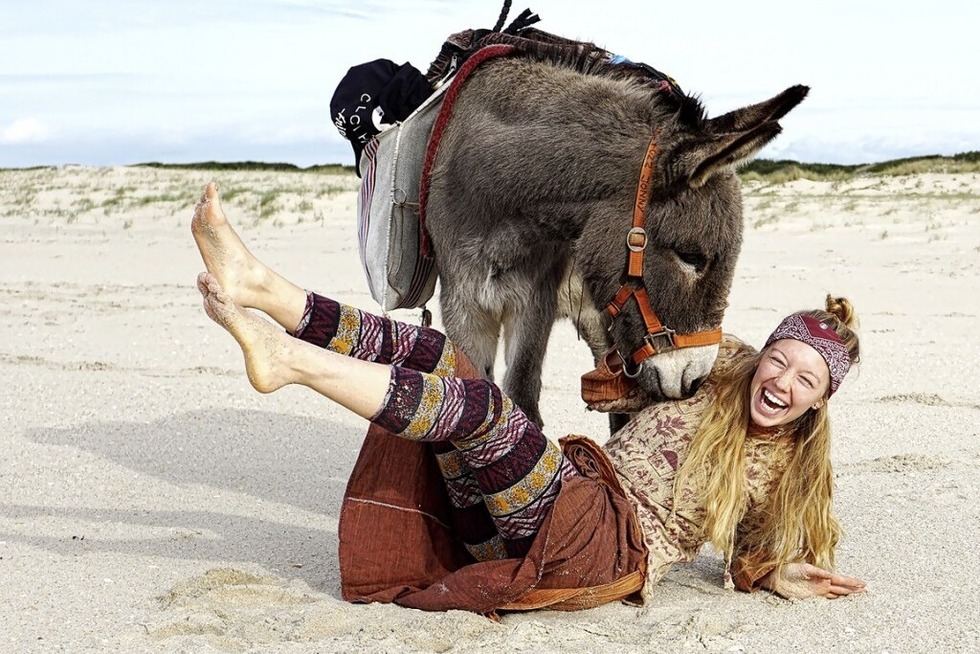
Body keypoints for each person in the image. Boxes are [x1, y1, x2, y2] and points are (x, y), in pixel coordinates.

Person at [190, 181, 866, 615]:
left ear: (819, 401)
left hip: (600, 546)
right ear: (762, 355)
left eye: (805, 381)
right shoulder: (715, 361)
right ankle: (268, 292)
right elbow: (634, 343)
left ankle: (288, 363)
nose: (782, 383)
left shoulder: (788, 467)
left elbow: (753, 551)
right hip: (544, 506)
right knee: (449, 360)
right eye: (780, 362)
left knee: (481, 413)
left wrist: (775, 573)